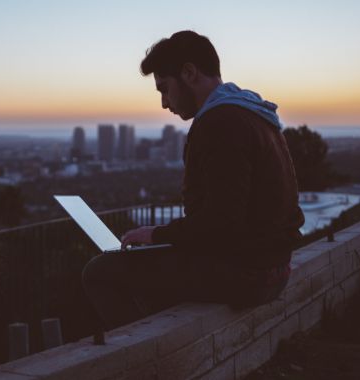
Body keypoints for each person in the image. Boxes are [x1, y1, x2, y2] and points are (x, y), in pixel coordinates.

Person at [82, 31, 305, 330]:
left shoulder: (219, 122)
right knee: (152, 268)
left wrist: (156, 235)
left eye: (164, 89)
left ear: (189, 73)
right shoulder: (254, 114)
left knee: (100, 272)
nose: (164, 103)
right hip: (273, 268)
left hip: (249, 274)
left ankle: (150, 357)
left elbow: (221, 224)